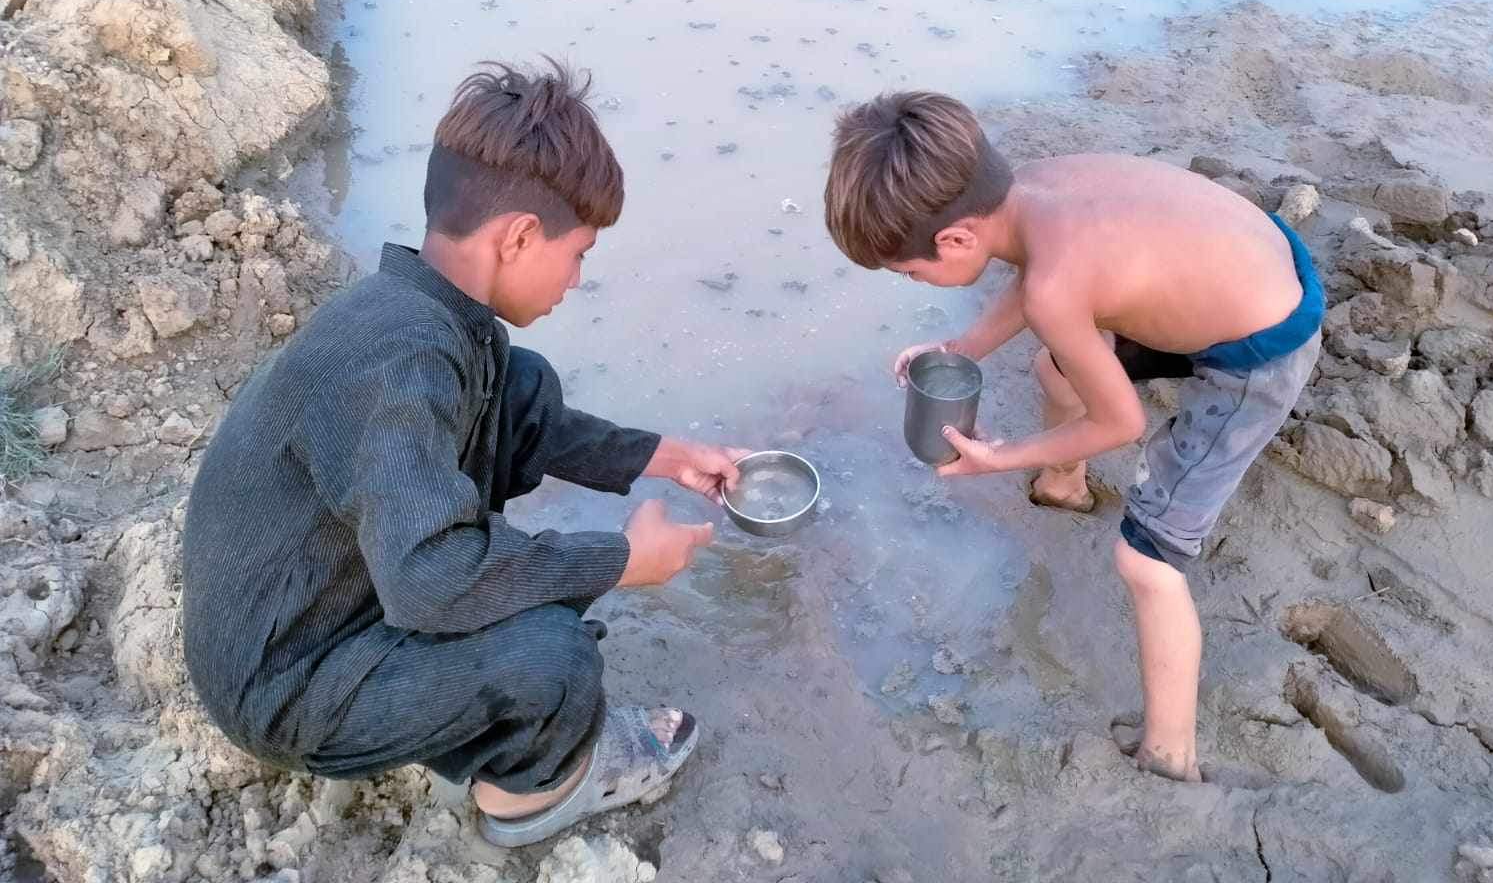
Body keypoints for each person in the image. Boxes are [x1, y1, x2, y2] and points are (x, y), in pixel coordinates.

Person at [182, 61, 744, 847]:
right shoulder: (403, 365)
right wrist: (619, 560)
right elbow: (429, 581)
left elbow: (525, 420)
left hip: (333, 601)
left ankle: (462, 692)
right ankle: (533, 794)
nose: (578, 279)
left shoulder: (426, 317)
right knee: (554, 663)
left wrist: (663, 455)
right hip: (285, 682)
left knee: (516, 383)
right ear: (517, 237)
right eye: (578, 253)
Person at [822, 92, 1323, 783]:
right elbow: (1036, 282)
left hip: (1258, 349)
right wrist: (959, 347)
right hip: (1239, 265)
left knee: (1147, 563)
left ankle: (1170, 752)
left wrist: (1001, 456)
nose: (914, 282)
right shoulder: (1036, 185)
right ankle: (1064, 486)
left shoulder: (1058, 286)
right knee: (1057, 362)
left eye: (912, 272)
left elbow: (1122, 423)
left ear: (957, 239)